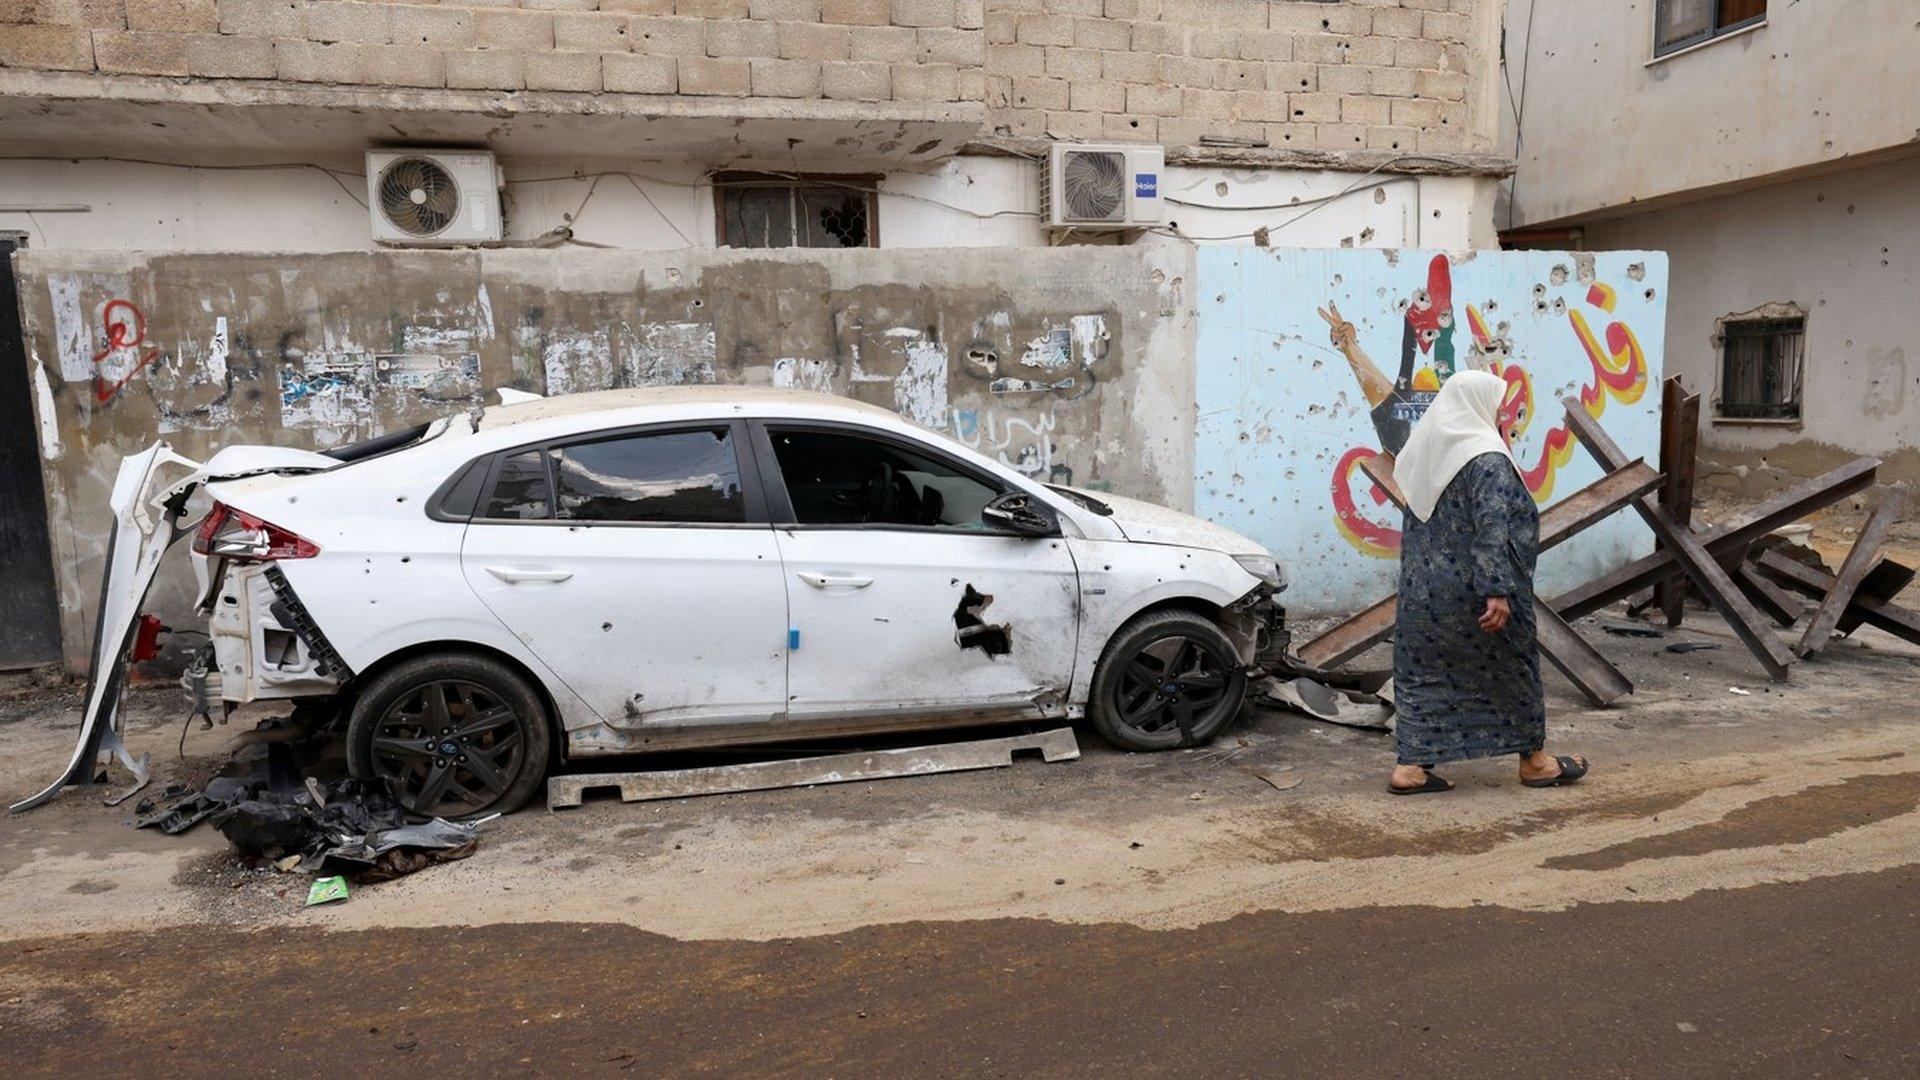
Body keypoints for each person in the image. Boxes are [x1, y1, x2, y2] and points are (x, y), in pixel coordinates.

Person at [1385, 370, 1588, 794]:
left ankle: (1410, 768)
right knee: (1513, 670)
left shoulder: (1424, 453)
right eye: (1497, 402)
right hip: (1478, 593)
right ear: (1478, 404)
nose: (1501, 411)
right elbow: (1492, 527)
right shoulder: (1488, 459)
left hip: (1423, 597)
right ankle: (1534, 762)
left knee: (1426, 676)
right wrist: (1496, 590)